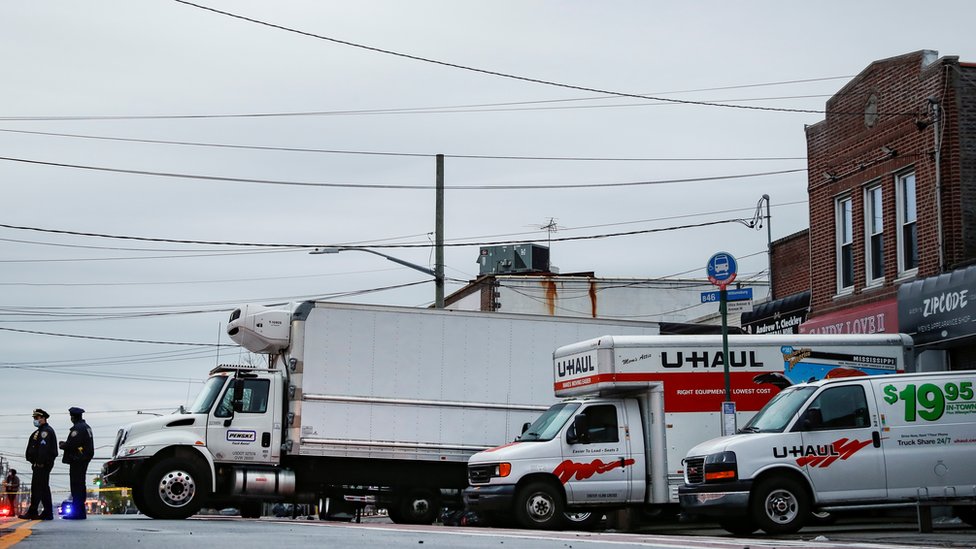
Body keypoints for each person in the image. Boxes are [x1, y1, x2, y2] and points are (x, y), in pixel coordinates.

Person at [20, 408, 58, 520]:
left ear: (43, 418)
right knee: (42, 488)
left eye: (37, 418)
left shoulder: (45, 432)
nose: (35, 420)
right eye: (34, 418)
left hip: (42, 465)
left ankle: (33, 511)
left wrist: (40, 463)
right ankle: (47, 512)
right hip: (39, 464)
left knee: (37, 488)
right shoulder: (40, 431)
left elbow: (43, 449)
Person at [60, 406, 94, 520]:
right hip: (83, 458)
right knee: (80, 484)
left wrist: (63, 445)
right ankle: (80, 511)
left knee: (76, 485)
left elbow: (72, 444)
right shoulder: (86, 427)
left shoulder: (78, 428)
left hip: (78, 459)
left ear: (73, 417)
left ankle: (77, 512)